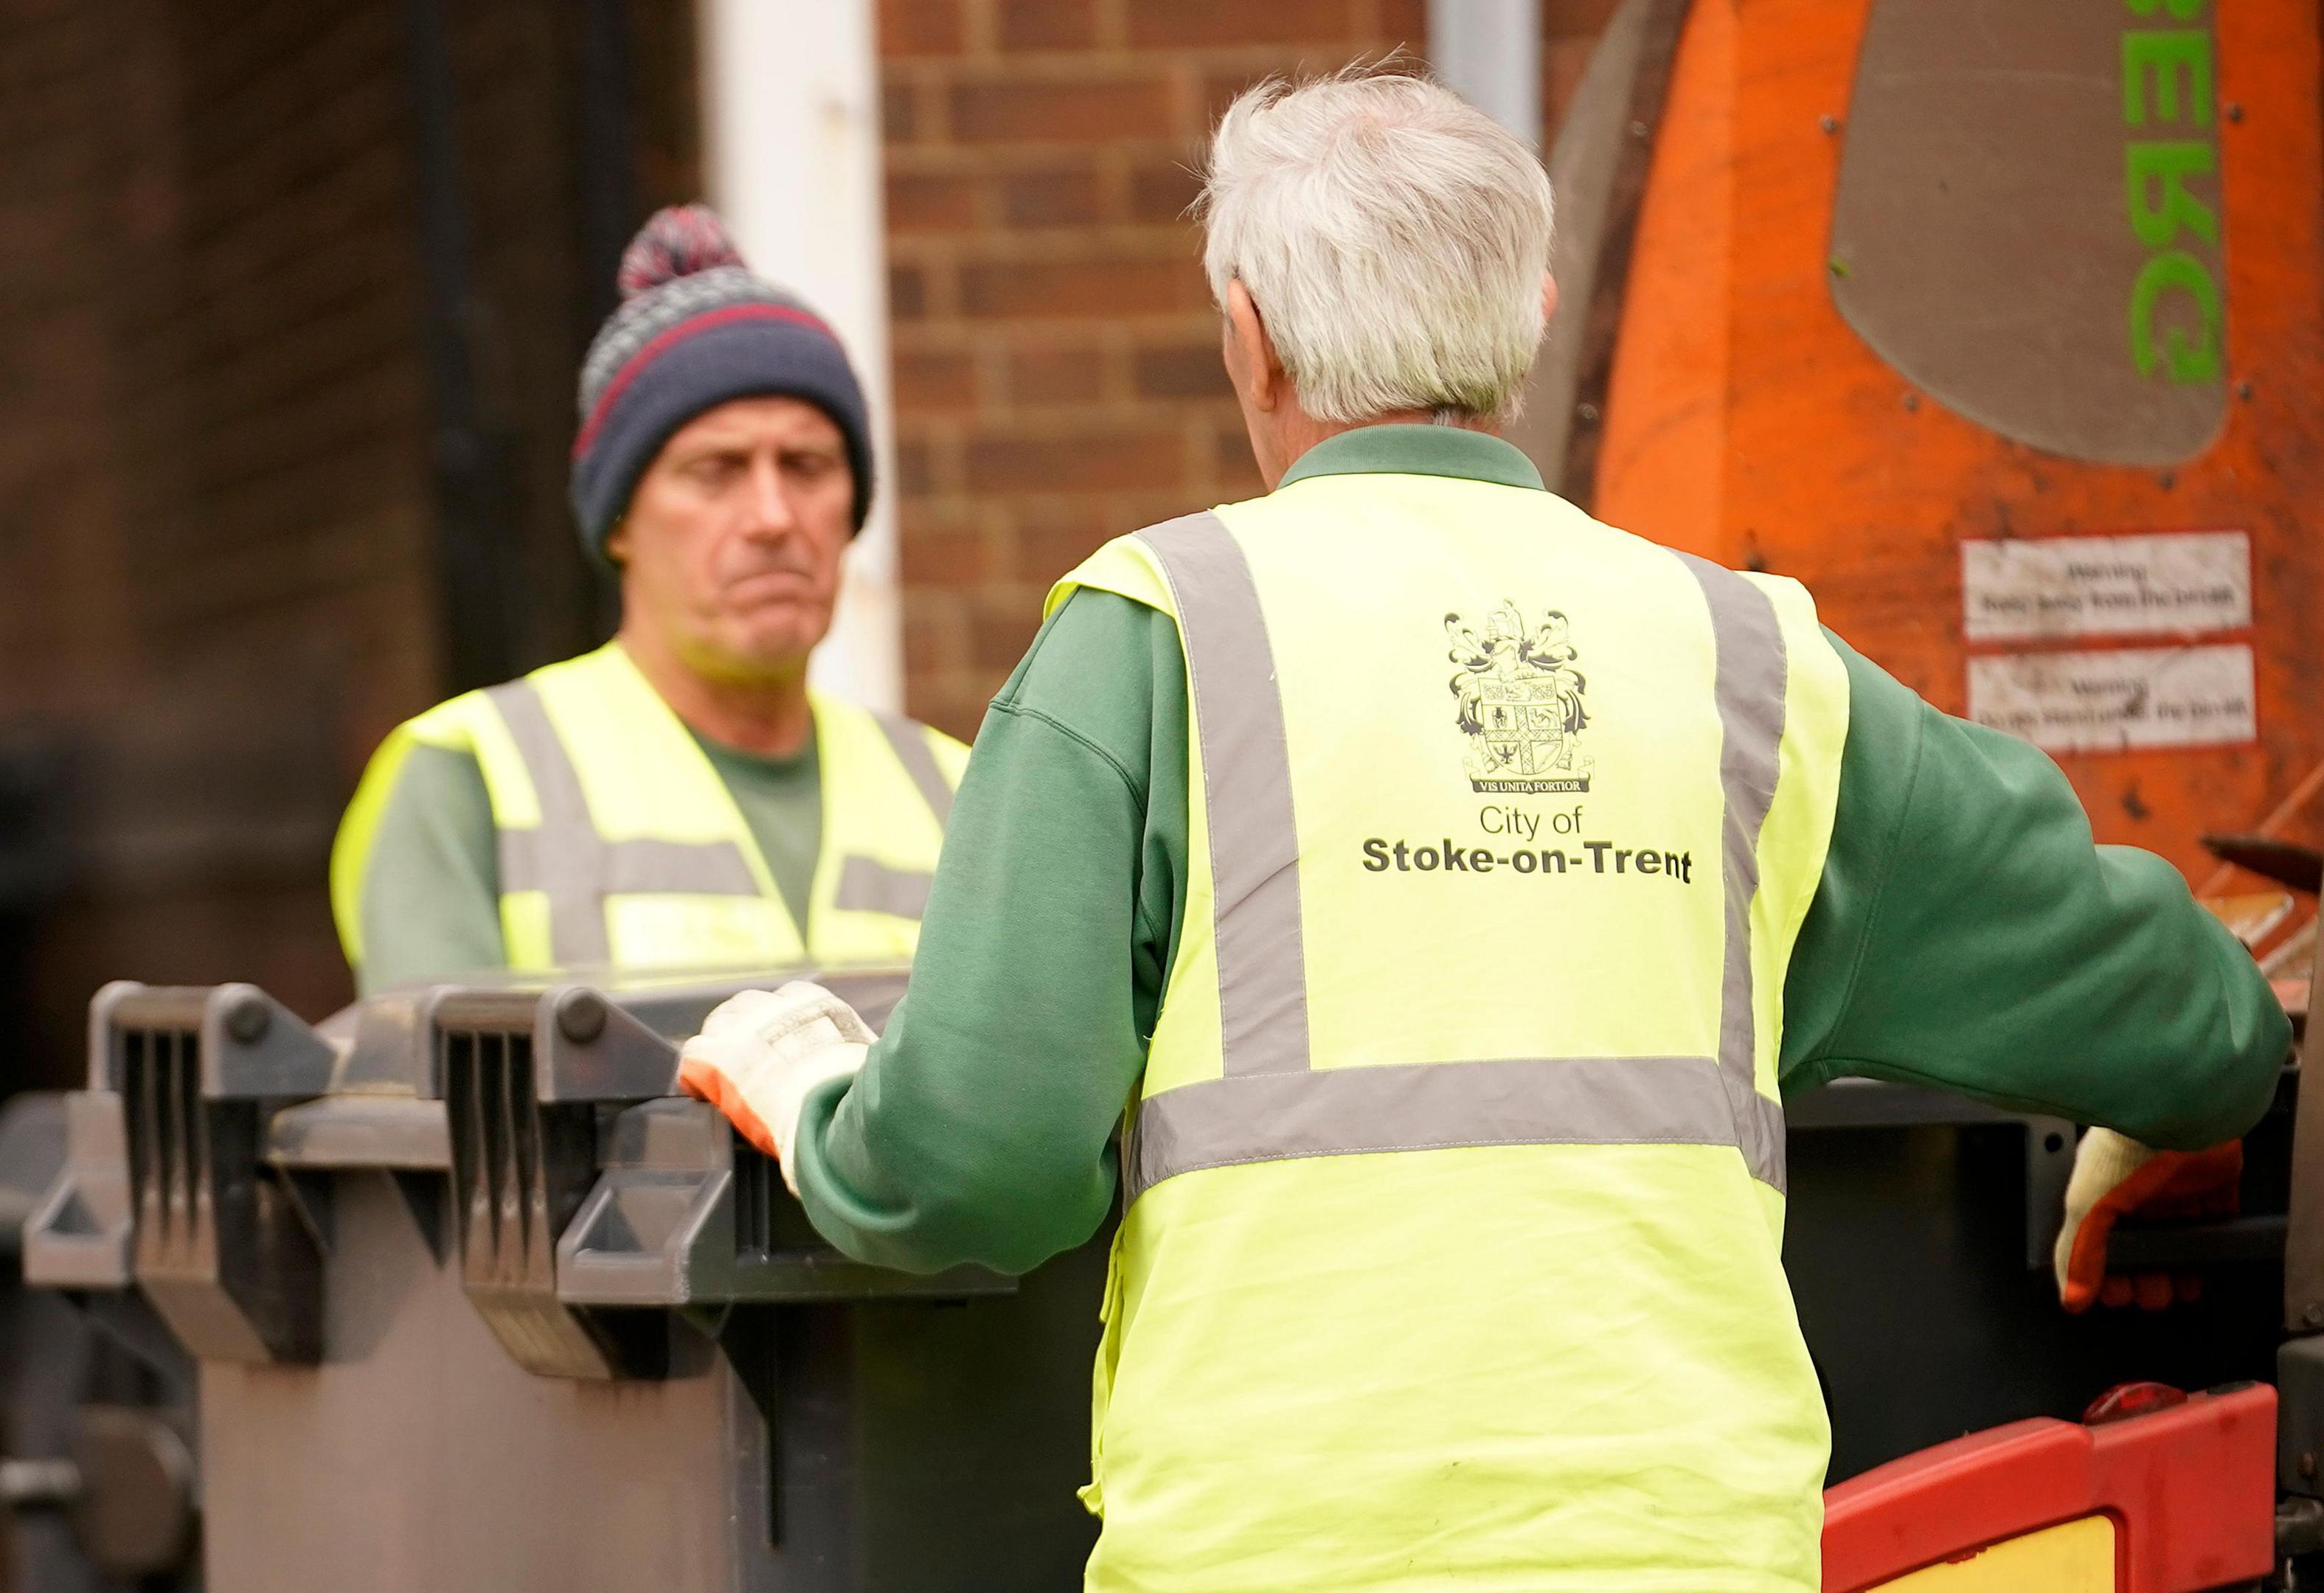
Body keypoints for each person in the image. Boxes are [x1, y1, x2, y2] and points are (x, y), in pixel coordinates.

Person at [673, 70, 2288, 1592]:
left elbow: (981, 1165)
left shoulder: (1156, 633)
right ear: (1531, 315)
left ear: (1249, 336)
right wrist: (2168, 1103)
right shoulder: (1754, 665)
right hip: (1686, 1554)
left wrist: (816, 1098)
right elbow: (2192, 1018)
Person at [331, 206, 965, 991]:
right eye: (716, 471)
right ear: (621, 520)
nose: (773, 517)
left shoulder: (965, 791)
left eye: (806, 465)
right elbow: (433, 1105)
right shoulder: (468, 777)